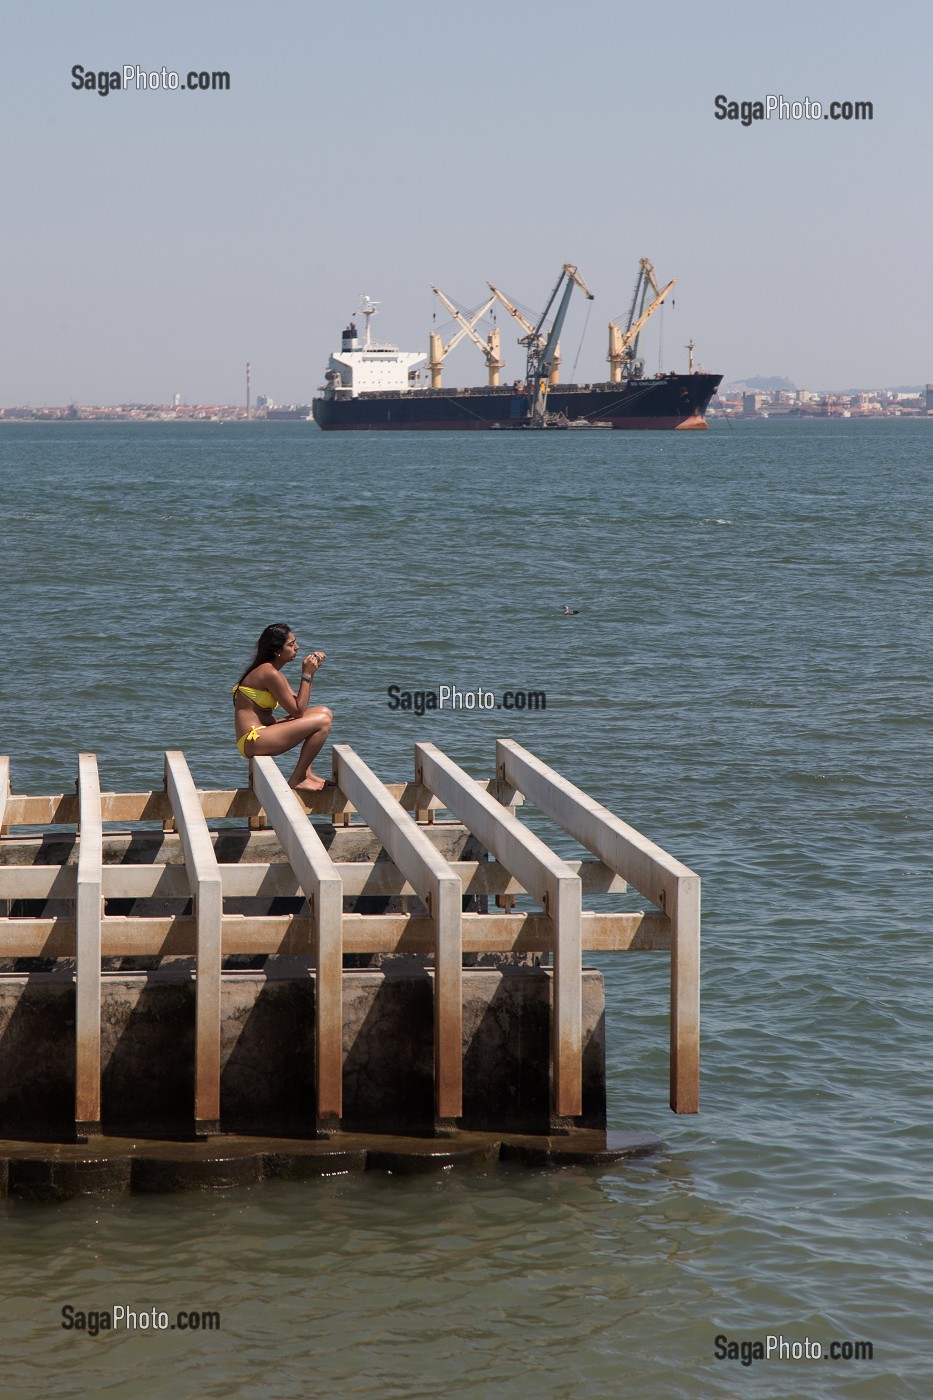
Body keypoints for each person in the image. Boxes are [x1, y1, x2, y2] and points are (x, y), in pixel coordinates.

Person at [232, 623, 333, 791]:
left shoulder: (272, 671)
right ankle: (298, 778)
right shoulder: (269, 673)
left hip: (262, 733)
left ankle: (306, 773)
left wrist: (311, 673)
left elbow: (299, 703)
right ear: (277, 651)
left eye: (295, 643)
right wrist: (306, 674)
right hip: (253, 740)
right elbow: (298, 711)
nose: (297, 647)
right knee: (322, 721)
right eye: (291, 644)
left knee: (324, 712)